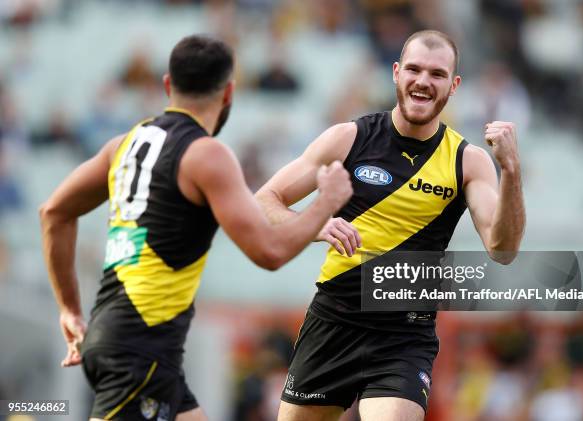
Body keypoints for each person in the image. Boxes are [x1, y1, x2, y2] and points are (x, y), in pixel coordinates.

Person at [39, 34, 353, 421]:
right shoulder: (206, 154)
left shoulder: (125, 143)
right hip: (141, 344)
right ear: (229, 93)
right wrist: (327, 202)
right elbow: (270, 252)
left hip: (129, 339)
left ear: (168, 84)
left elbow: (53, 212)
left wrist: (69, 309)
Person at [255, 29, 526, 421]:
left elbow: (503, 251)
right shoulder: (349, 138)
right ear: (396, 73)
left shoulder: (468, 161)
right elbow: (265, 199)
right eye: (414, 69)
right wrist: (312, 224)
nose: (423, 81)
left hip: (404, 334)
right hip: (334, 320)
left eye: (436, 74)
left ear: (454, 85)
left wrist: (512, 171)